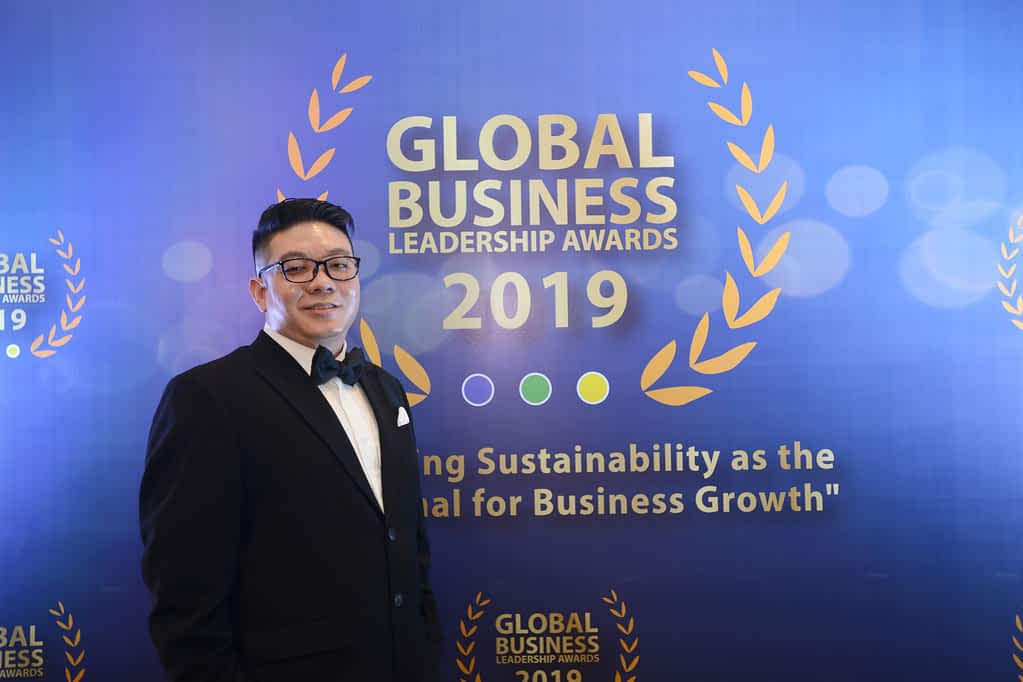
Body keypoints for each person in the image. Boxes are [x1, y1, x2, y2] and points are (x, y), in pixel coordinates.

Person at [139, 198, 441, 682]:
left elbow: (407, 541)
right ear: (260, 291)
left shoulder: (387, 390)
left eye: (339, 265)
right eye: (296, 268)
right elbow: (184, 594)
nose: (323, 282)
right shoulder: (207, 397)